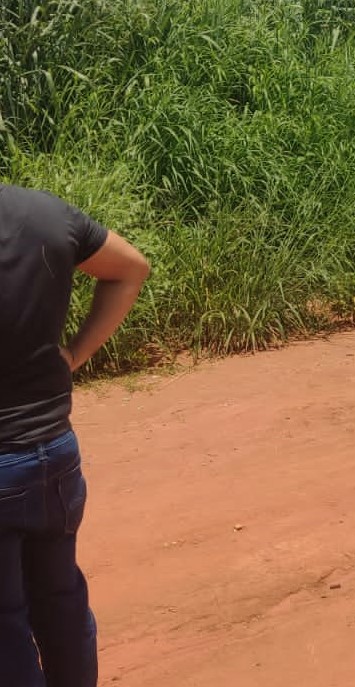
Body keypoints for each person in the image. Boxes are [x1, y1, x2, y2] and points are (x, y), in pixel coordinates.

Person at [0, 184, 150, 687]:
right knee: (61, 601)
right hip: (54, 456)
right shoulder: (45, 213)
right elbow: (132, 268)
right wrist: (76, 354)